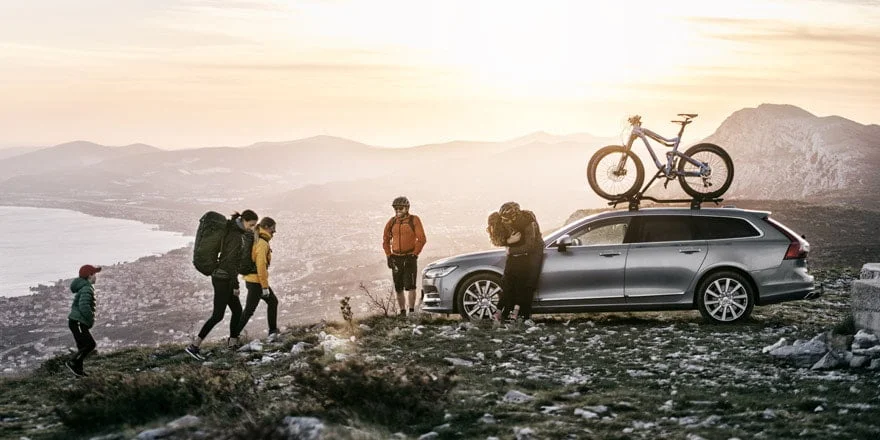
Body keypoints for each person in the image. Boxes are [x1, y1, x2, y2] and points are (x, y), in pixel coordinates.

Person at [186, 209, 258, 360]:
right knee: (218, 315)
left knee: (237, 310)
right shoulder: (236, 236)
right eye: (251, 225)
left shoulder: (233, 228)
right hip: (223, 279)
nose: (252, 228)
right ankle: (194, 347)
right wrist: (235, 286)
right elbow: (230, 264)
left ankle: (232, 344)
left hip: (223, 277)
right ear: (244, 220)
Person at [493, 202, 543, 322]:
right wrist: (509, 241)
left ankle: (520, 315)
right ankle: (504, 314)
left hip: (533, 251)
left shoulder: (528, 222)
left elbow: (530, 245)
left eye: (508, 220)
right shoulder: (501, 220)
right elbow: (497, 239)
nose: (505, 222)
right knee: (508, 283)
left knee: (528, 283)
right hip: (516, 254)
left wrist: (511, 250)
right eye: (503, 219)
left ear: (515, 216)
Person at [382, 196, 427, 317]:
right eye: (395, 208)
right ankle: (402, 312)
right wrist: (388, 256)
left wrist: (414, 254)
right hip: (396, 258)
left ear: (407, 208)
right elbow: (386, 240)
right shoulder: (392, 222)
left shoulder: (414, 220)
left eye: (400, 208)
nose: (398, 210)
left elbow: (422, 239)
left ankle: (411, 312)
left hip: (409, 257)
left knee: (411, 286)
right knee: (398, 287)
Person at [237, 217, 280, 341]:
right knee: (250, 310)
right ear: (266, 227)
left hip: (252, 280)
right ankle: (234, 336)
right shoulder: (262, 243)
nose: (274, 231)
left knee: (270, 303)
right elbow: (261, 266)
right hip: (256, 282)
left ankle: (272, 331)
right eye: (273, 228)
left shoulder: (257, 239)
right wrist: (265, 287)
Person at [66, 264, 101, 377]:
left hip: (75, 322)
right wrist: (90, 319)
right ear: (90, 275)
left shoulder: (84, 287)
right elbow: (84, 305)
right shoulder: (87, 288)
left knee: (82, 347)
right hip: (78, 322)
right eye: (94, 274)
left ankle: (78, 373)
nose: (96, 277)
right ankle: (73, 362)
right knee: (90, 344)